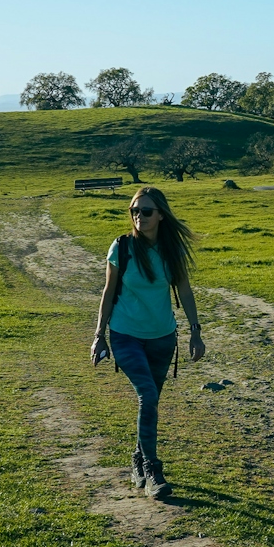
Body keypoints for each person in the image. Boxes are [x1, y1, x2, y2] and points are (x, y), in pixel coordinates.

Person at [91, 186, 204, 499]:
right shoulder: (122, 247)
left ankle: (138, 460)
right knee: (148, 394)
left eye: (147, 211)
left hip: (162, 338)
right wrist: (99, 336)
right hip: (126, 334)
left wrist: (195, 331)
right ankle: (153, 469)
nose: (140, 216)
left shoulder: (171, 249)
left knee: (151, 401)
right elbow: (108, 292)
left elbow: (184, 290)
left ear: (161, 214)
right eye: (135, 211)